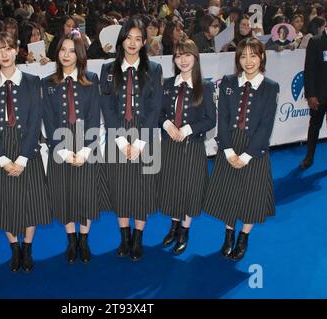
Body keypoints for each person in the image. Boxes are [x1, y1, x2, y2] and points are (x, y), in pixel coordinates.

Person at [0, 31, 51, 273]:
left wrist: (22, 157)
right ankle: (14, 248)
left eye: (8, 48)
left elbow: (35, 121)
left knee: (31, 203)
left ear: (16, 49)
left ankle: (28, 248)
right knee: (4, 204)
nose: (4, 54)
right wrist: (0, 157)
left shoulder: (32, 82)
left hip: (26, 149)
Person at [203, 38, 280, 262]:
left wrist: (246, 155)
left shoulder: (271, 87)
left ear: (262, 57)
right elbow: (223, 119)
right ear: (237, 58)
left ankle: (243, 237)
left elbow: (266, 126)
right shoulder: (227, 82)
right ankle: (228, 234)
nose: (248, 61)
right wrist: (227, 151)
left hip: (254, 150)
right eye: (243, 56)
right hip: (229, 144)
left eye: (253, 55)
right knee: (228, 193)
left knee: (251, 197)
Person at [100, 18, 163, 261]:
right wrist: (120, 141)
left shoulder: (154, 69)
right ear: (121, 41)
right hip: (117, 134)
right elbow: (107, 106)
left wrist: (138, 143)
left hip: (144, 135)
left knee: (142, 189)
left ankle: (138, 239)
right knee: (120, 188)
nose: (133, 43)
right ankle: (124, 237)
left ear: (144, 42)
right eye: (129, 38)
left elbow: (155, 107)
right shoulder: (108, 69)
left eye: (138, 38)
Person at [42, 31, 102, 264]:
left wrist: (86, 149)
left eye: (71, 50)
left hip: (87, 145)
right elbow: (48, 120)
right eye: (62, 50)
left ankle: (84, 240)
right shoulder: (47, 83)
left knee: (85, 196)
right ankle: (71, 240)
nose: (66, 55)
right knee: (64, 195)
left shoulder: (92, 79)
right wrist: (62, 150)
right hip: (60, 146)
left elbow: (94, 117)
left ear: (79, 54)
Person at [158, 39, 216, 255]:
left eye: (187, 55)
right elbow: (158, 113)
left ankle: (184, 230)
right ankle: (173, 227)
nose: (183, 60)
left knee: (190, 189)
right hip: (170, 146)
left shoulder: (206, 86)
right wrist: (166, 124)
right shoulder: (167, 84)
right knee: (173, 187)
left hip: (192, 146)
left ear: (196, 57)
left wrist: (188, 129)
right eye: (178, 55)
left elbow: (211, 120)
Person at [299, 11, 327, 173]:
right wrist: (310, 94)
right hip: (318, 96)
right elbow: (309, 70)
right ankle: (309, 157)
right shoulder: (316, 41)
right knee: (314, 128)